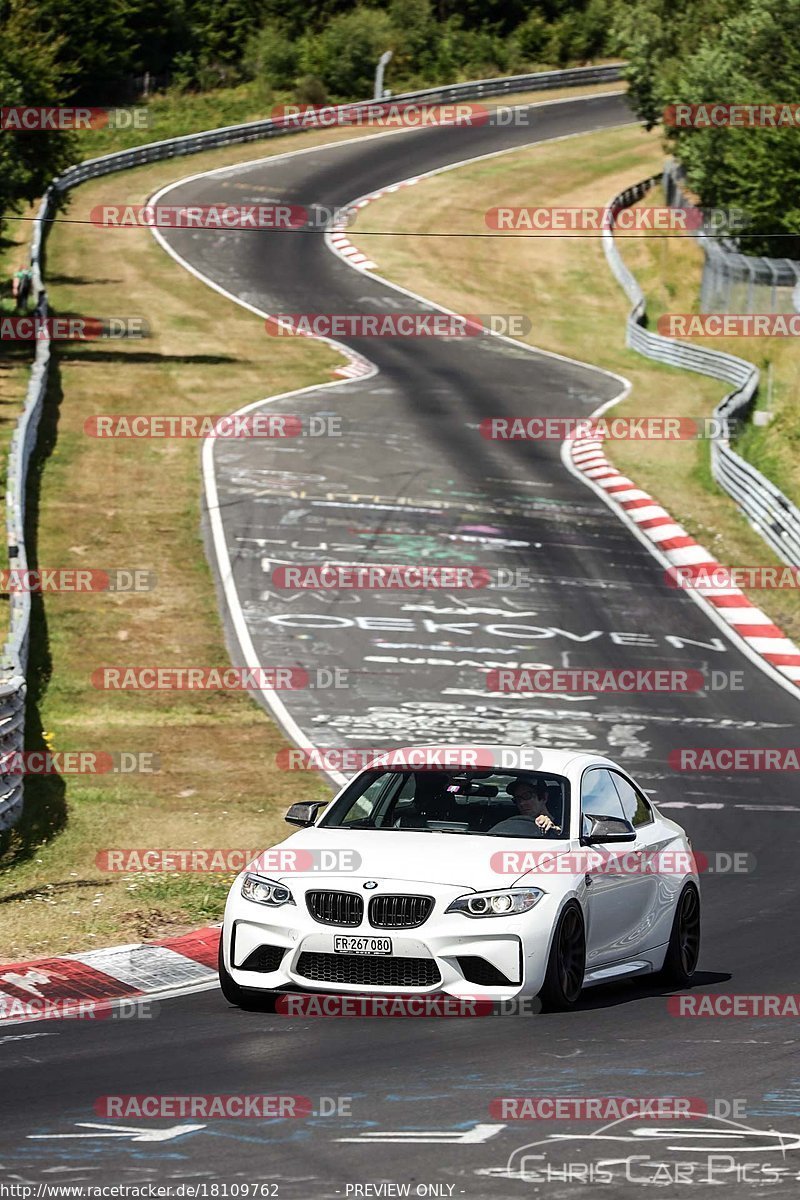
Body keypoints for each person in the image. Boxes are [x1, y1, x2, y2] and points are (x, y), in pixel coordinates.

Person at [488, 777, 560, 836]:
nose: (521, 803)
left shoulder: (564, 822)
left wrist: (551, 827)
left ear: (544, 797)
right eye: (518, 799)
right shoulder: (512, 822)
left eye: (527, 796)